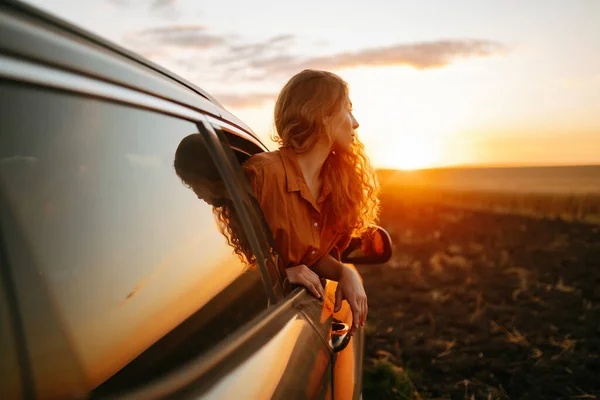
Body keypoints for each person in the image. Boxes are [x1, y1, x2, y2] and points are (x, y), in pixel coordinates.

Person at [242, 69, 380, 335]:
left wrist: (344, 272)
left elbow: (311, 256)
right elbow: (226, 265)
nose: (356, 123)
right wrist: (282, 274)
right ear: (322, 115)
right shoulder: (262, 175)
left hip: (298, 323)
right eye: (347, 110)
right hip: (255, 326)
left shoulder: (338, 184)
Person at [173, 133, 256, 266]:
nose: (198, 195)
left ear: (203, 176)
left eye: (192, 184)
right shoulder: (238, 207)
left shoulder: (263, 180)